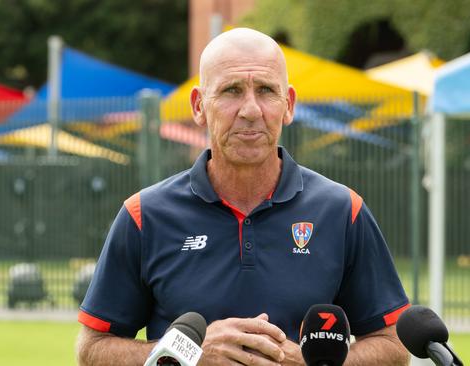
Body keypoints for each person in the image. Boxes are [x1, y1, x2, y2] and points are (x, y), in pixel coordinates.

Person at [76, 27, 410, 366]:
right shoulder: (143, 215)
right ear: (198, 106)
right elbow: (92, 350)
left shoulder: (343, 211)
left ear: (289, 105)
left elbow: (393, 345)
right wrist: (188, 354)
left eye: (266, 90)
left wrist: (310, 364)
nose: (250, 110)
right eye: (231, 90)